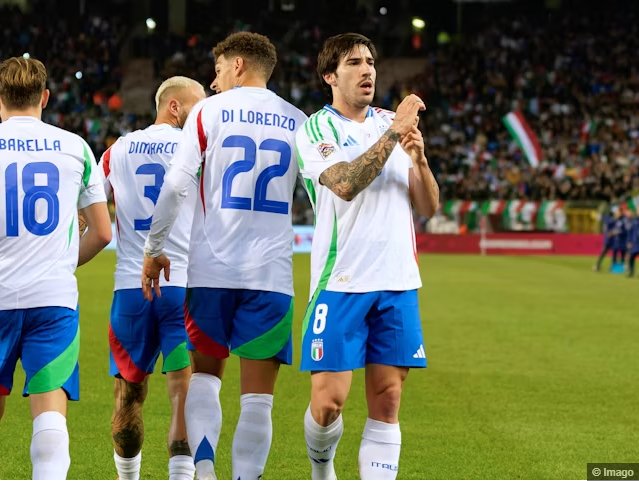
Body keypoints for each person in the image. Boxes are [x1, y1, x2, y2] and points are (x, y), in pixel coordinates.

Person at [141, 32, 308, 480]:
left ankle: (206, 468)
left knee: (206, 377)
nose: (213, 82)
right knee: (258, 399)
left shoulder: (207, 113)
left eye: (216, 70)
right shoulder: (298, 120)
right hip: (270, 277)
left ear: (237, 65)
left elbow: (176, 185)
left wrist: (154, 250)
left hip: (211, 272)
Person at [294, 33, 439, 480]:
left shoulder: (390, 122)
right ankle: (322, 470)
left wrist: (419, 161)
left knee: (389, 398)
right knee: (327, 402)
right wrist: (395, 133)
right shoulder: (317, 128)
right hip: (342, 282)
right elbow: (345, 184)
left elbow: (429, 207)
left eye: (371, 61)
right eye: (354, 62)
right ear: (330, 76)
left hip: (397, 281)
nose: (368, 70)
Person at [0, 56, 111, 479]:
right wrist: (63, 262)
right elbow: (101, 232)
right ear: (45, 97)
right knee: (50, 419)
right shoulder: (75, 147)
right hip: (53, 300)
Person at [98, 76, 206, 480]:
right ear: (174, 107)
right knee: (184, 394)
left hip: (130, 289)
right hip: (181, 286)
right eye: (198, 106)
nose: (204, 116)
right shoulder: (196, 149)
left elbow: (85, 205)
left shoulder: (117, 150)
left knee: (128, 395)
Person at [626, 212, 639, 277]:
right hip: (635, 243)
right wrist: (629, 241)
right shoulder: (634, 221)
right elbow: (630, 232)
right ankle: (631, 272)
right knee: (631, 257)